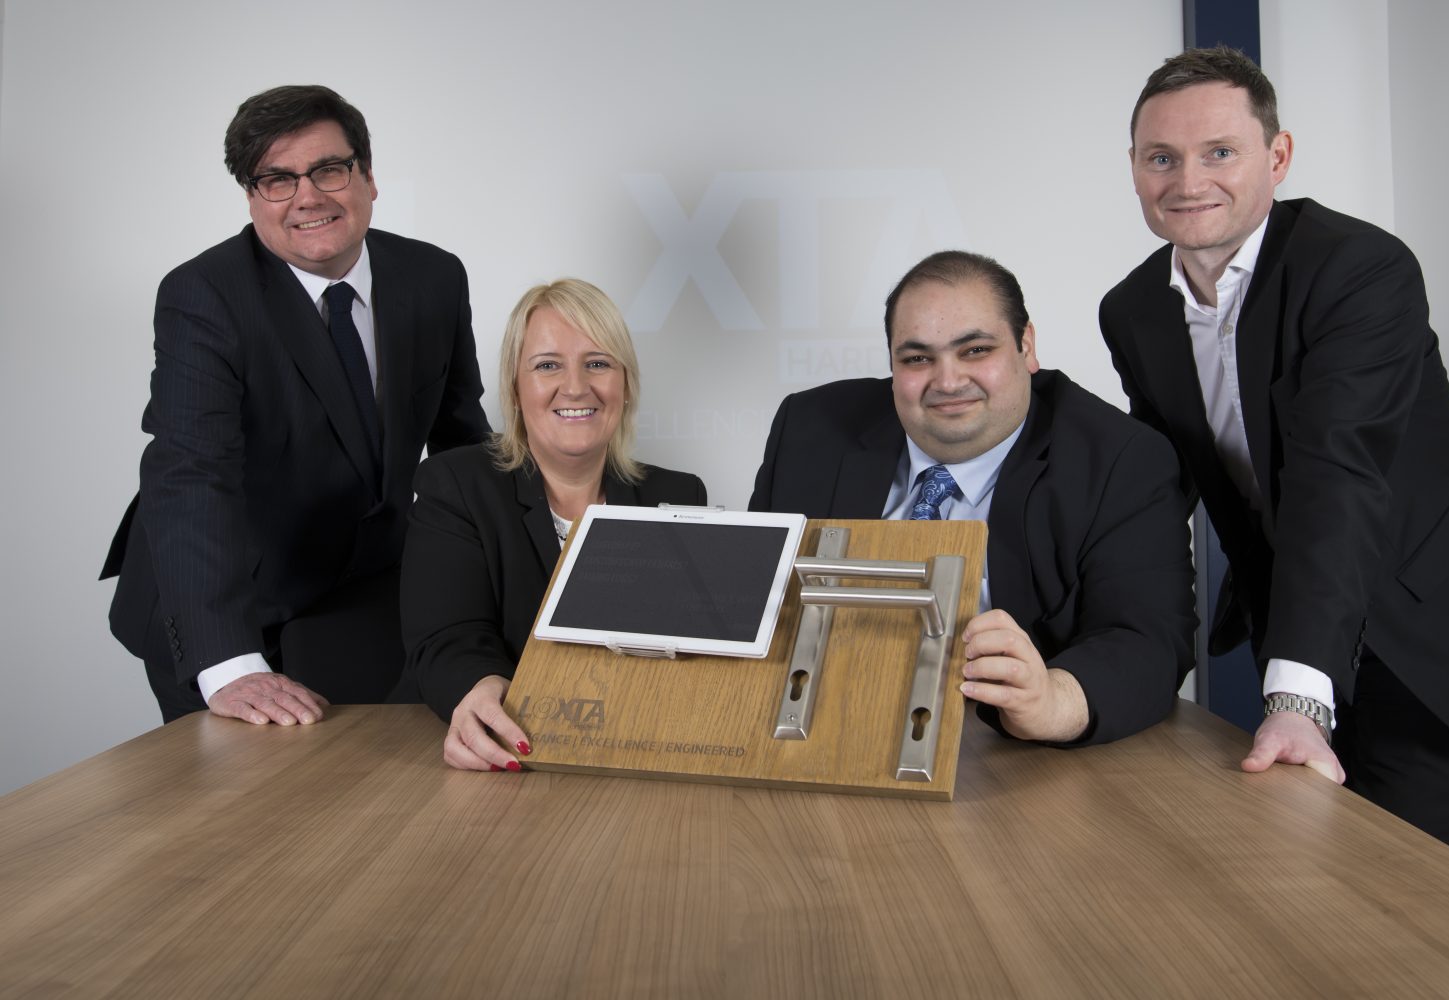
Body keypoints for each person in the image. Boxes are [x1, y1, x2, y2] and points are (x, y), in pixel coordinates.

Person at [1100, 46, 1449, 845]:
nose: (1188, 181)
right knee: (1303, 884)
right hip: (1291, 618)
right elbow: (1153, 481)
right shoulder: (1133, 308)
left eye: (1220, 152)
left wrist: (1293, 701)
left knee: (1388, 896)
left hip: (1420, 629)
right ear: (1135, 168)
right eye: (1161, 158)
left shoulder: (1359, 269)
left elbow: (1337, 472)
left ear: (1277, 157)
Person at [100, 85, 490, 726]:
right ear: (252, 198)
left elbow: (461, 442)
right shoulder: (204, 297)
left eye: (329, 170)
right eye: (277, 180)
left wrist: (521, 568)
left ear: (368, 176)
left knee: (363, 795)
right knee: (245, 812)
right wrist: (228, 663)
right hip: (224, 596)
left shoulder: (434, 277)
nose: (307, 197)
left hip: (357, 589)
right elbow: (192, 474)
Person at [750, 251, 1194, 746]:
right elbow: (755, 600)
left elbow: (1148, 639)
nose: (948, 381)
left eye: (976, 350)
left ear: (1026, 346)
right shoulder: (811, 429)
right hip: (818, 732)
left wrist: (1051, 700)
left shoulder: (1119, 459)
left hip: (1012, 756)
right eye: (917, 359)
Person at [401, 278, 707, 771]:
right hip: (498, 751)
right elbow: (448, 636)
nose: (576, 386)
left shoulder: (677, 496)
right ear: (516, 390)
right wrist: (481, 686)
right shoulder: (457, 484)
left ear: (624, 385)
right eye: (547, 366)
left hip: (631, 756)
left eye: (598, 363)